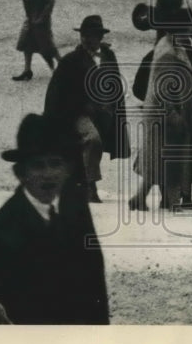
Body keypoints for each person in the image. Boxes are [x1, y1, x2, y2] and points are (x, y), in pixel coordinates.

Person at [0, 113, 110, 324]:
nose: (48, 174)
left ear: (67, 169)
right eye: (38, 165)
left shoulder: (76, 211)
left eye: (55, 163)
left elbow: (95, 288)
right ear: (21, 173)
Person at [44, 15, 129, 204]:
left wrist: (114, 108)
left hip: (105, 113)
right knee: (93, 140)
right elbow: (56, 91)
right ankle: (90, 186)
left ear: (99, 37)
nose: (85, 39)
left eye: (90, 35)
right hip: (79, 113)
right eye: (83, 35)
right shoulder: (71, 60)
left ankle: (81, 181)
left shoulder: (109, 56)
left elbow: (115, 82)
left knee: (93, 148)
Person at [128, 7, 192, 212]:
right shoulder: (168, 52)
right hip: (166, 114)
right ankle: (172, 202)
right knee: (168, 159)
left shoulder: (172, 46)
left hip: (166, 112)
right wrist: (175, 116)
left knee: (159, 159)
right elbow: (163, 90)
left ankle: (144, 199)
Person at [13, 0, 59, 81]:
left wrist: (41, 18)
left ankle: (58, 69)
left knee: (47, 47)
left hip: (39, 20)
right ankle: (27, 70)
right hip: (31, 18)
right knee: (27, 44)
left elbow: (50, 1)